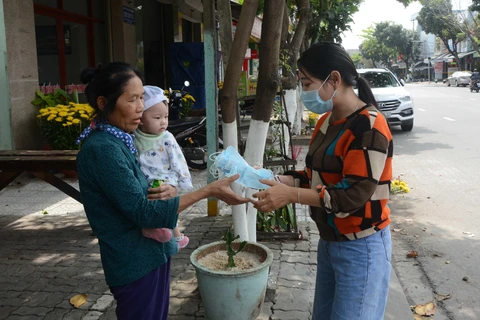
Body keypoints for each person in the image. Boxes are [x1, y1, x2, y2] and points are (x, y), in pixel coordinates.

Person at [76, 62, 249, 320]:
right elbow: (143, 212)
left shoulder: (120, 140)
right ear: (103, 103)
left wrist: (165, 190)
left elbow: (138, 191)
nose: (140, 108)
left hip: (148, 256)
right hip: (134, 263)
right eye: (131, 100)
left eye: (141, 99)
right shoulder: (103, 149)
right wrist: (207, 191)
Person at [252, 42, 393, 320]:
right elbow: (313, 177)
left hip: (361, 246)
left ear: (335, 79)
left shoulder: (370, 125)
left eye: (307, 83)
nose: (305, 91)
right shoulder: (326, 121)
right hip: (329, 242)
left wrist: (290, 196)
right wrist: (272, 179)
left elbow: (351, 196)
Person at [134, 85, 192, 250]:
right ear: (141, 118)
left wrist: (182, 179)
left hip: (164, 179)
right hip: (144, 182)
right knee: (147, 205)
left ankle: (175, 235)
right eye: (157, 117)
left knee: (168, 206)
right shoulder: (134, 136)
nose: (163, 122)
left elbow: (178, 159)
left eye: (165, 117)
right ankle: (152, 228)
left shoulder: (167, 137)